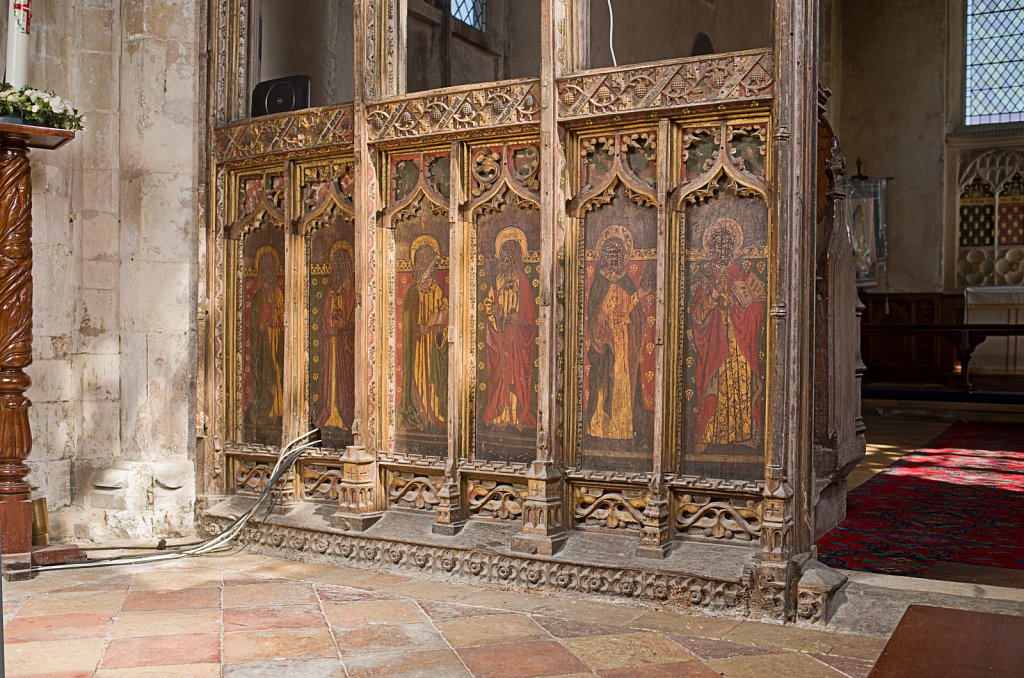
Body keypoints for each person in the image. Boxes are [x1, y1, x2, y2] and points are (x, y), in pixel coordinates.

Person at [691, 218, 766, 451]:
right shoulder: (706, 280)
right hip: (716, 344)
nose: (722, 249)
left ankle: (744, 433)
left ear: (733, 249)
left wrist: (749, 305)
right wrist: (712, 299)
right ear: (711, 249)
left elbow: (757, 309)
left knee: (742, 382)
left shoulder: (741, 276)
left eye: (727, 245)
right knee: (716, 384)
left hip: (740, 344)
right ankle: (711, 433)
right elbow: (697, 318)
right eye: (717, 245)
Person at [586, 230, 645, 442]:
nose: (614, 258)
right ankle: (600, 426)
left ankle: (622, 427)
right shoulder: (599, 281)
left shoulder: (626, 281)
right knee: (603, 380)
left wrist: (633, 310)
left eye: (618, 254)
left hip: (623, 341)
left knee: (622, 380)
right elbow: (593, 312)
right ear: (603, 256)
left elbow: (636, 314)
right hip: (605, 340)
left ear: (623, 257)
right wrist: (600, 329)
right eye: (610, 253)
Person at [482, 230, 537, 430]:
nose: (503, 261)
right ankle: (501, 416)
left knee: (516, 375)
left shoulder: (522, 279)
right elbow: (489, 303)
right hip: (501, 336)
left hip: (516, 338)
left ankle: (518, 416)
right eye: (501, 258)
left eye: (507, 258)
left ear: (514, 258)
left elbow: (529, 313)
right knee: (501, 375)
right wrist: (493, 313)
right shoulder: (497, 280)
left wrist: (513, 318)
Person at [398, 239, 449, 430]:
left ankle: (433, 415)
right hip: (418, 347)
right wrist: (418, 329)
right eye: (430, 264)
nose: (432, 268)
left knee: (433, 382)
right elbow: (407, 322)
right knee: (418, 378)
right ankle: (419, 416)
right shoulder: (412, 291)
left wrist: (436, 329)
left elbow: (445, 319)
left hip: (432, 350)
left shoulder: (438, 291)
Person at [317, 243, 356, 432]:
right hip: (332, 345)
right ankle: (330, 412)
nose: (337, 270)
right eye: (335, 266)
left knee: (346, 382)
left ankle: (344, 414)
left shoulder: (352, 293)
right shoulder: (332, 293)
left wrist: (344, 329)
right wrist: (329, 329)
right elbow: (324, 318)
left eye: (341, 266)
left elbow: (358, 323)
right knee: (331, 381)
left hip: (345, 346)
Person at [247, 247, 285, 429]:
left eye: (270, 269)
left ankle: (279, 410)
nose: (267, 273)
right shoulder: (258, 296)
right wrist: (261, 327)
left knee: (278, 372)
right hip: (264, 342)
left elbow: (284, 313)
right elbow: (254, 323)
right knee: (266, 375)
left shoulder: (278, 293)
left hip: (277, 338)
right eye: (264, 269)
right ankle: (267, 408)